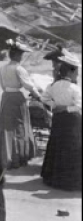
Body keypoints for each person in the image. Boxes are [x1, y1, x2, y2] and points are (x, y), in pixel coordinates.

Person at [40, 50, 82, 191]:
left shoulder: (53, 86)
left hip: (58, 119)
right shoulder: (75, 89)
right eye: (76, 72)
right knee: (72, 147)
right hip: (72, 121)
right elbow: (79, 106)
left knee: (57, 145)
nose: (77, 75)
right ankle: (70, 180)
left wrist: (55, 106)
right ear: (71, 73)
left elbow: (44, 98)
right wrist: (66, 108)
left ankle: (55, 177)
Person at [0, 39, 40, 169]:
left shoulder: (2, 68)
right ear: (16, 55)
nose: (21, 57)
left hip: (6, 97)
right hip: (16, 98)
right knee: (19, 127)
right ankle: (19, 156)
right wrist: (39, 96)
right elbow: (29, 86)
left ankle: (7, 155)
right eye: (21, 55)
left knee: (6, 127)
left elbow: (3, 86)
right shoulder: (19, 69)